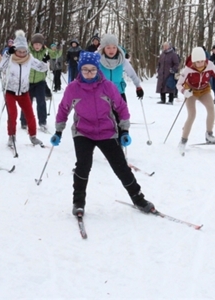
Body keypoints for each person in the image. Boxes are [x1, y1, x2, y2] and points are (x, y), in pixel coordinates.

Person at [50, 51, 155, 216]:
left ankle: (138, 197)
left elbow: (121, 107)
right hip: (83, 132)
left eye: (92, 70)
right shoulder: (73, 89)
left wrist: (125, 129)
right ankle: (78, 202)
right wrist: (58, 130)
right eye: (85, 70)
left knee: (121, 166)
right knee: (83, 166)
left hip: (107, 131)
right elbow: (64, 109)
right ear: (80, 70)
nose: (89, 73)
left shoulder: (107, 87)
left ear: (98, 69)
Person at [0, 30, 48, 148]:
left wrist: (45, 61)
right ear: (15, 50)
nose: (22, 53)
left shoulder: (29, 58)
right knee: (12, 114)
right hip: (10, 91)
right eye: (19, 51)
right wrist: (7, 55)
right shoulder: (10, 59)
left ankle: (33, 136)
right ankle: (11, 136)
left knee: (30, 115)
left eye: (24, 51)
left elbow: (41, 68)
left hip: (24, 92)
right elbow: (1, 67)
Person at [176, 47, 215, 152]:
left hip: (204, 90)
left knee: (211, 109)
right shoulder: (188, 69)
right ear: (194, 61)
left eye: (202, 61)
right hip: (191, 92)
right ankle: (183, 140)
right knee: (192, 115)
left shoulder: (210, 65)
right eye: (197, 62)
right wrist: (184, 91)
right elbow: (179, 84)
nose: (200, 64)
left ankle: (209, 135)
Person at [19, 33, 51, 133]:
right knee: (27, 102)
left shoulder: (45, 52)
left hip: (40, 81)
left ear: (42, 45)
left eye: (39, 44)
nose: (37, 46)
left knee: (41, 102)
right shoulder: (27, 51)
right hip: (28, 81)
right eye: (35, 44)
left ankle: (42, 122)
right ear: (32, 44)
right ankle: (24, 121)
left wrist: (57, 49)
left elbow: (55, 54)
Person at [98, 33, 143, 102]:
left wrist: (138, 86)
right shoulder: (97, 60)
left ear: (117, 48)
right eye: (108, 47)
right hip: (101, 95)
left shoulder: (122, 60)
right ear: (103, 48)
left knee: (122, 113)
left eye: (114, 47)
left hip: (118, 94)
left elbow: (132, 74)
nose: (111, 50)